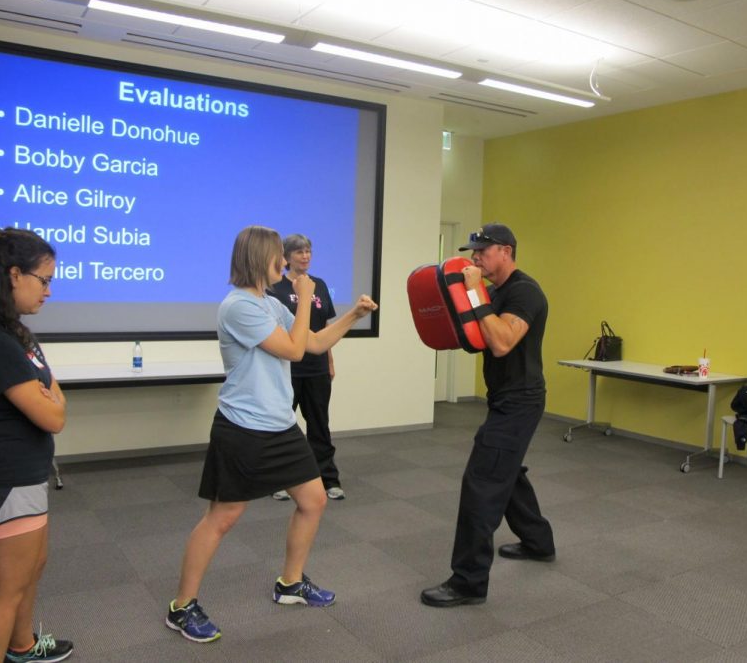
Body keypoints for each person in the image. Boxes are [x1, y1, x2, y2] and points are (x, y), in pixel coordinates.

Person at [166, 225, 377, 643]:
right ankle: (182, 606)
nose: (286, 261)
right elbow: (294, 351)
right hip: (243, 428)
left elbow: (313, 343)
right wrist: (301, 298)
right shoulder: (238, 307)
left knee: (314, 500)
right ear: (259, 258)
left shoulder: (268, 303)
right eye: (279, 255)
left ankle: (290, 584)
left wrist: (353, 314)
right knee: (223, 517)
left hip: (280, 425)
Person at [421, 223, 555, 608]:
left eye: (483, 250)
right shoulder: (494, 292)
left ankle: (468, 581)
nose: (476, 257)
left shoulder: (524, 292)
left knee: (482, 482)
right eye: (473, 251)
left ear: (507, 251)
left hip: (520, 400)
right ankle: (538, 541)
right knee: (506, 471)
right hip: (504, 397)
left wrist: (475, 291)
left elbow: (502, 342)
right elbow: (478, 335)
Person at [0, 227, 74, 662]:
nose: (49, 290)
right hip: (2, 477)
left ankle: (22, 645)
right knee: (4, 593)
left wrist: (52, 398)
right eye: (44, 280)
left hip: (21, 475)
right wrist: (53, 401)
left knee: (32, 567)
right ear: (14, 275)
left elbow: (53, 389)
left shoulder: (15, 333)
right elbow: (53, 414)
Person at [271, 234, 344, 501]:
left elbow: (324, 328)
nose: (305, 256)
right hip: (287, 368)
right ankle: (279, 481)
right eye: (299, 252)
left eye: (308, 251)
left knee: (319, 425)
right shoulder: (275, 286)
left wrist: (330, 362)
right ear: (287, 257)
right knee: (281, 426)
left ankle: (328, 480)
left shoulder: (319, 286)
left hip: (317, 367)